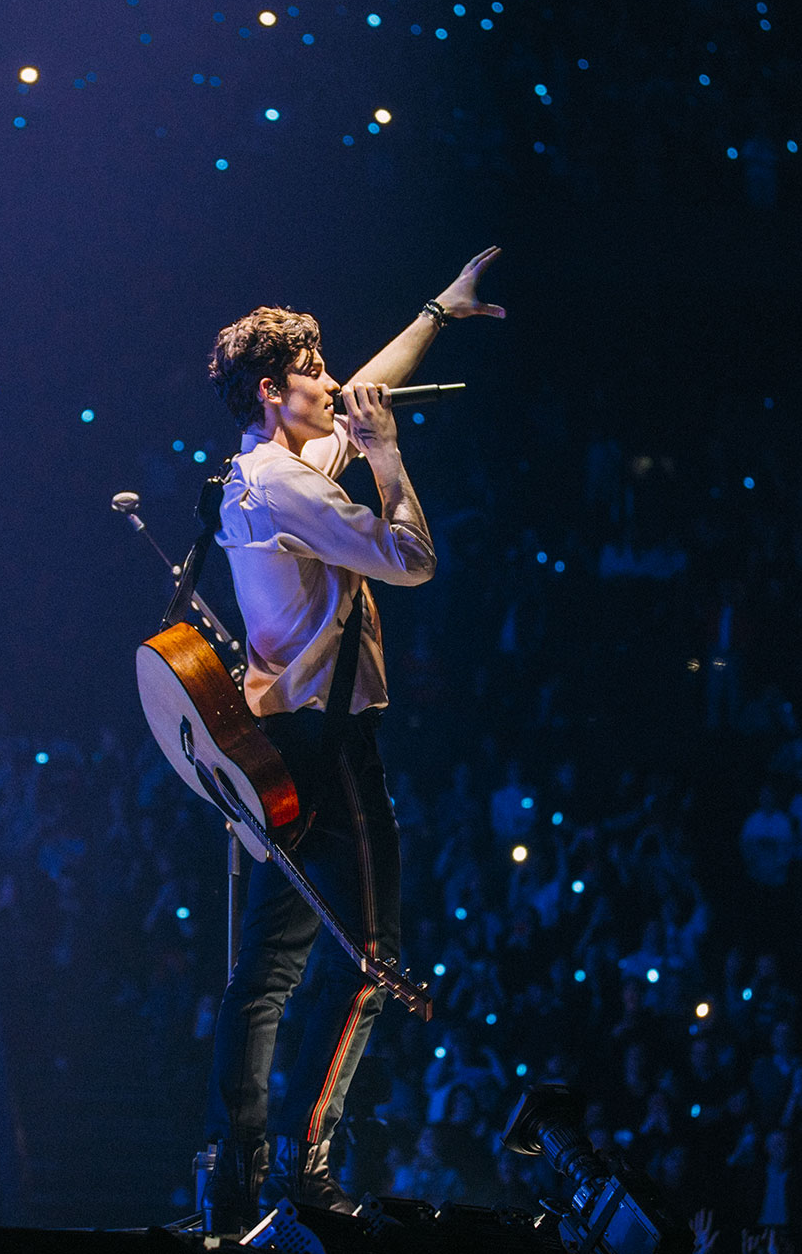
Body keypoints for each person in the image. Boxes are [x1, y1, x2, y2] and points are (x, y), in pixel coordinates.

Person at [199, 249, 505, 1232]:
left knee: (267, 972)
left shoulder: (259, 470)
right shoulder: (291, 489)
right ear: (270, 390)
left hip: (278, 745)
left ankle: (237, 1164)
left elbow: (361, 387)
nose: (333, 382)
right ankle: (307, 1165)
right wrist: (387, 457)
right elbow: (410, 558)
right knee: (371, 959)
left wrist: (435, 314)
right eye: (313, 370)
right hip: (331, 751)